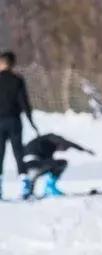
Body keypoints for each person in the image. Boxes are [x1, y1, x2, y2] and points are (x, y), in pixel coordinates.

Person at [0, 51, 39, 200]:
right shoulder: (18, 80)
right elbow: (24, 102)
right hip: (14, 122)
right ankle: (24, 185)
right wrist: (31, 121)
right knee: (19, 153)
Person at [22, 133, 94, 197]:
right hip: (34, 164)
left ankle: (29, 191)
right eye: (64, 149)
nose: (62, 151)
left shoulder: (45, 141)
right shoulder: (52, 138)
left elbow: (70, 144)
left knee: (51, 164)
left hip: (25, 165)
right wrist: (85, 149)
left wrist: (84, 149)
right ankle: (50, 187)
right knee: (62, 163)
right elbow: (70, 143)